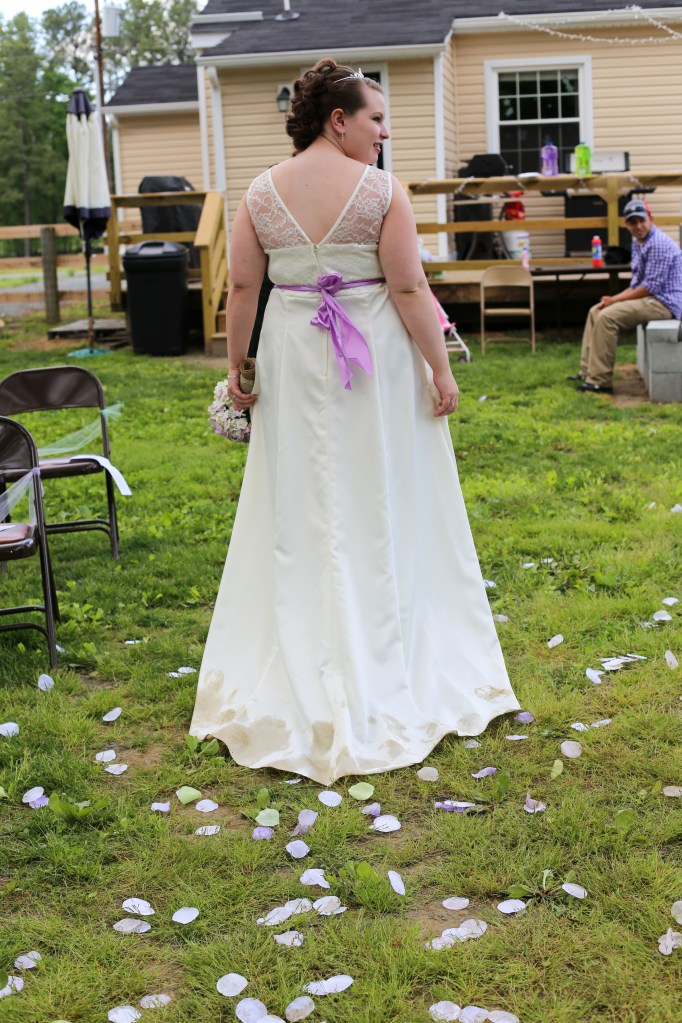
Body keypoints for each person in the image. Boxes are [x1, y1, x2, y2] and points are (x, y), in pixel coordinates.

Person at [190, 59, 519, 784]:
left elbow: (244, 286)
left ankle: (300, 648)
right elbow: (406, 284)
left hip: (292, 353)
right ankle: (385, 643)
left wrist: (238, 367)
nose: (385, 130)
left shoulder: (259, 192)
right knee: (381, 491)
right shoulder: (379, 191)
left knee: (300, 501)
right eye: (375, 117)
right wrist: (440, 367)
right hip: (371, 357)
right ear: (338, 120)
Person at [573, 198, 682, 393]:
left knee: (607, 317)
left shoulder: (658, 243)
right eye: (633, 222)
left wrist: (614, 300)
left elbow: (650, 287)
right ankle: (587, 371)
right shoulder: (639, 243)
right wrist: (611, 300)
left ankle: (600, 381)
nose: (638, 226)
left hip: (665, 303)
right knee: (596, 310)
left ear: (651, 219)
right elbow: (635, 285)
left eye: (642, 220)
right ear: (627, 224)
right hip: (650, 298)